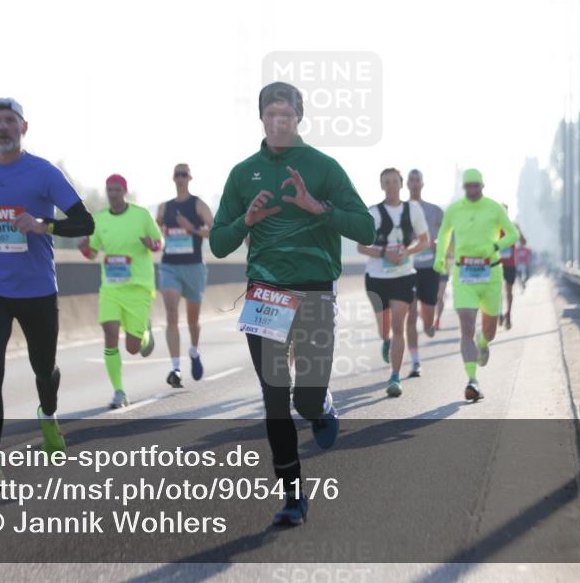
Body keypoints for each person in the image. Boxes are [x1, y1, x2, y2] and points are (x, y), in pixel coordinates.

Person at [210, 82, 375, 527]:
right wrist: (246, 220)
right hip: (265, 293)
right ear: (261, 118)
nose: (279, 122)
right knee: (275, 398)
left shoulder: (323, 167)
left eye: (286, 114)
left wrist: (317, 208)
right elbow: (219, 242)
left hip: (316, 290)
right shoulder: (243, 173)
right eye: (271, 114)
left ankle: (321, 406)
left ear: (299, 117)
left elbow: (366, 228)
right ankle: (292, 495)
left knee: (304, 399)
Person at [0, 97, 94, 492]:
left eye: (10, 121)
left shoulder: (44, 172)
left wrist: (42, 225)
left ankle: (48, 415)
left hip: (37, 290)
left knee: (43, 370)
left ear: (24, 128)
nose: (3, 128)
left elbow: (85, 222)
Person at [78, 175, 163, 408]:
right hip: (111, 288)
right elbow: (93, 253)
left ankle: (145, 334)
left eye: (117, 189)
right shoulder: (100, 219)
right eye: (109, 189)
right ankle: (119, 392)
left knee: (133, 348)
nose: (112, 193)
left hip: (138, 287)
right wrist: (85, 248)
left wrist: (151, 244)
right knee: (110, 333)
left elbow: (159, 243)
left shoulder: (141, 215)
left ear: (124, 191)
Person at [434, 168, 518, 402]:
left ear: (482, 186)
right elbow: (443, 235)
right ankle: (472, 380)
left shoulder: (494, 208)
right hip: (464, 276)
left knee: (489, 331)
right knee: (467, 326)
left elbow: (512, 235)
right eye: (468, 186)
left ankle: (483, 342)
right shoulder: (454, 210)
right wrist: (440, 258)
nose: (472, 190)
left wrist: (493, 247)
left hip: (490, 275)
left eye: (475, 186)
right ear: (464, 188)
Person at [357, 168, 429, 397]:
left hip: (404, 276)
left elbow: (425, 241)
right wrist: (384, 254)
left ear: (401, 184)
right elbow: (361, 246)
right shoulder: (374, 213)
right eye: (386, 182)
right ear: (381, 186)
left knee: (399, 325)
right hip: (377, 278)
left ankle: (395, 376)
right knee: (384, 329)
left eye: (394, 181)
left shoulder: (413, 210)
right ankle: (385, 340)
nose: (390, 185)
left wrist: (406, 252)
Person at [156, 164, 213, 388]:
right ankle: (176, 368)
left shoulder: (198, 205)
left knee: (193, 321)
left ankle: (194, 351)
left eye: (184, 174)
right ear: (173, 178)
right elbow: (154, 232)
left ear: (190, 178)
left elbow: (215, 231)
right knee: (171, 313)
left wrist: (192, 229)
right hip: (170, 265)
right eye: (177, 175)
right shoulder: (163, 208)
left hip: (194, 267)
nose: (180, 178)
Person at [404, 168, 445, 377]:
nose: (414, 183)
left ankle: (429, 322)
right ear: (407, 184)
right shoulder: (400, 209)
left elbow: (446, 237)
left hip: (429, 267)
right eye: (410, 179)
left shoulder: (435, 211)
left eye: (417, 179)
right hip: (407, 269)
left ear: (422, 184)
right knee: (410, 317)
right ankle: (415, 362)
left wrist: (439, 244)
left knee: (427, 321)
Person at [497, 204, 527, 330]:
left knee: (508, 290)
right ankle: (499, 313)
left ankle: (507, 313)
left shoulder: (513, 225)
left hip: (509, 263)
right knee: (498, 291)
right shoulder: (494, 226)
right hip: (496, 264)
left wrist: (517, 233)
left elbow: (523, 242)